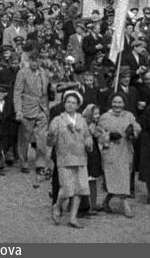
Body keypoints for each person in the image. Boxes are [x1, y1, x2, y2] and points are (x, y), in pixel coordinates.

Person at [47, 91, 93, 229]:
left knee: (80, 189)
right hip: (64, 158)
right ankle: (57, 205)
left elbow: (87, 135)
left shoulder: (82, 119)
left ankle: (73, 218)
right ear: (64, 103)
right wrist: (50, 136)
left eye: (73, 103)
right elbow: (50, 142)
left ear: (78, 105)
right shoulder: (57, 120)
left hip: (80, 158)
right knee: (67, 189)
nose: (70, 105)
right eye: (68, 102)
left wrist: (88, 141)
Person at [97, 93, 141, 218]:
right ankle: (125, 204)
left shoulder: (129, 115)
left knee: (123, 177)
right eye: (115, 102)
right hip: (111, 151)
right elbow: (98, 133)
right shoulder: (105, 117)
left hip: (125, 150)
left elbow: (137, 128)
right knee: (114, 177)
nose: (117, 105)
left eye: (120, 102)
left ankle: (106, 201)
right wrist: (108, 136)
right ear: (111, 103)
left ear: (124, 103)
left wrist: (132, 131)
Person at [13, 52, 52, 185]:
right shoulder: (22, 73)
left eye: (38, 60)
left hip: (42, 108)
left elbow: (47, 90)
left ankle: (40, 162)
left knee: (42, 137)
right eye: (33, 61)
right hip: (27, 108)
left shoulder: (44, 73)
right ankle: (23, 161)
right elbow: (17, 92)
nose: (35, 63)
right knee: (25, 136)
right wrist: (18, 110)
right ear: (29, 60)